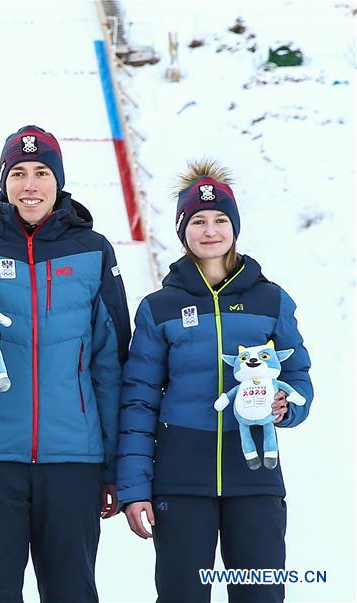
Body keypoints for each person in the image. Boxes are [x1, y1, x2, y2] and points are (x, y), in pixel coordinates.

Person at [0, 125, 131, 602]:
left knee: (71, 592)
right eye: (18, 173)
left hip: (74, 459)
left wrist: (112, 464)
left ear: (58, 180)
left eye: (42, 172)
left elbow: (111, 364)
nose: (30, 185)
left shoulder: (93, 250)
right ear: (3, 181)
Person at [116, 160, 313, 602]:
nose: (210, 231)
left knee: (259, 595)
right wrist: (134, 488)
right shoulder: (159, 308)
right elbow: (138, 401)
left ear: (235, 227)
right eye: (199, 221)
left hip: (255, 477)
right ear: (183, 230)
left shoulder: (271, 300)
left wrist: (287, 404)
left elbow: (297, 374)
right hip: (180, 479)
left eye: (220, 220)